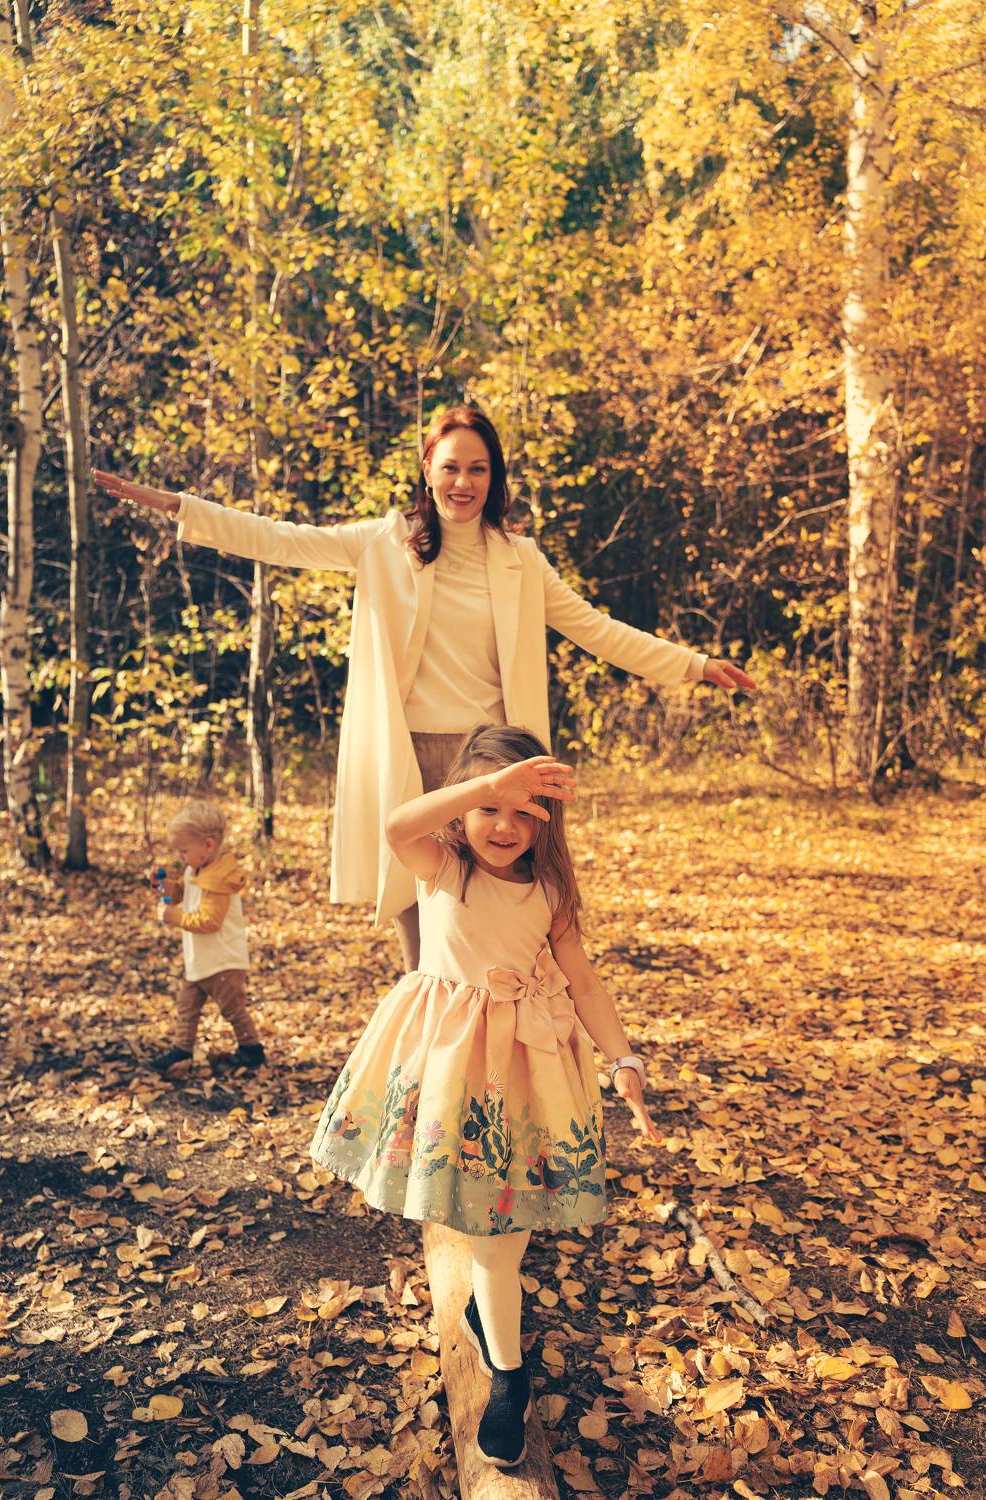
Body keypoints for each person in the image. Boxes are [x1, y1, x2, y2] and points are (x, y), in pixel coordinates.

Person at [93, 406, 755, 966]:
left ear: (494, 477)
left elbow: (596, 629)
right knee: (416, 907)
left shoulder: (521, 561)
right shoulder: (385, 543)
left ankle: (511, 1033)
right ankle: (424, 1043)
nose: (463, 483)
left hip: (493, 760)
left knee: (503, 900)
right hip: (408, 752)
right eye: (451, 467)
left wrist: (693, 665)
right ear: (427, 471)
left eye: (478, 469)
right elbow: (279, 539)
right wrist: (177, 505)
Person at [310, 725, 659, 1468]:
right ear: (463, 807)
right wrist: (491, 783)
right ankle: (493, 1337)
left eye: (524, 812)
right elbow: (395, 824)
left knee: (501, 1239)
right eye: (490, 808)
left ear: (546, 821)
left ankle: (505, 1370)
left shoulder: (551, 890)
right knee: (470, 1210)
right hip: (449, 1068)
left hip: (526, 1072)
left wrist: (622, 1057)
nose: (505, 826)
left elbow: (583, 978)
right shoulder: (443, 867)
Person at [149, 798, 265, 1073]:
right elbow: (180, 894)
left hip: (222, 960)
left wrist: (173, 917)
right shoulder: (196, 869)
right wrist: (161, 886)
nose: (180, 857)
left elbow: (210, 921)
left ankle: (251, 1050)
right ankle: (182, 1050)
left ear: (208, 845)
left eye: (184, 850)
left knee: (232, 1008)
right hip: (201, 959)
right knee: (187, 1005)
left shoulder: (219, 880)